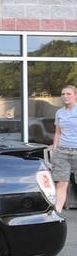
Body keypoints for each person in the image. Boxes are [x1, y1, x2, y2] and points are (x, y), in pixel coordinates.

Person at [51, 84, 77, 212]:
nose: (65, 96)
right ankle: (58, 214)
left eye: (68, 94)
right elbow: (58, 133)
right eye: (63, 94)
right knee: (61, 184)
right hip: (62, 151)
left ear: (75, 95)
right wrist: (55, 149)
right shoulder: (59, 112)